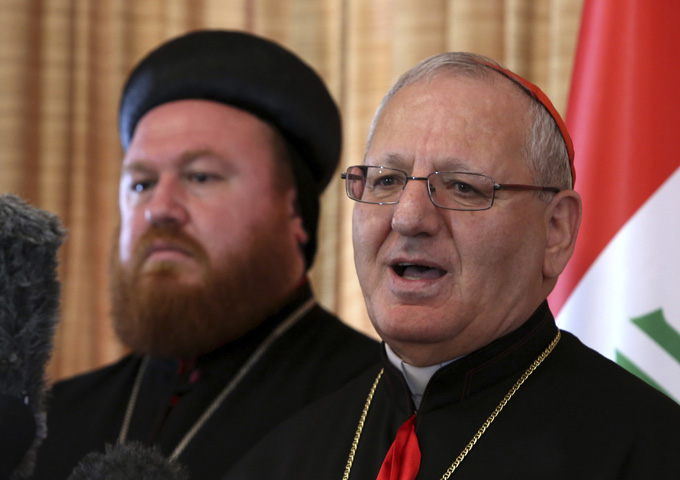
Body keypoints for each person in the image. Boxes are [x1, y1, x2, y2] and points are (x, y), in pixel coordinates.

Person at [223, 52, 680, 479]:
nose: (408, 217)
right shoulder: (282, 457)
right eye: (386, 180)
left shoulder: (648, 452)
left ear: (556, 230)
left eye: (463, 187)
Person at [31, 30, 380, 480]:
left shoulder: (380, 408)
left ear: (294, 211)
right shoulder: (49, 421)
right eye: (141, 184)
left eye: (200, 177)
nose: (159, 209)